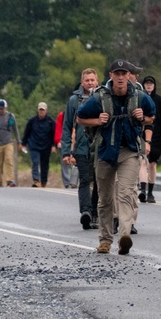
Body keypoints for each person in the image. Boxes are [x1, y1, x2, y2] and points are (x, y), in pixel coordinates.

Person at [76, 59, 155, 255]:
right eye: (116, 73)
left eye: (123, 73)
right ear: (111, 75)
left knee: (127, 193)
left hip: (129, 151)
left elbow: (152, 116)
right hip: (105, 151)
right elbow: (80, 118)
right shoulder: (99, 97)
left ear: (129, 75)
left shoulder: (139, 96)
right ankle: (104, 240)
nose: (120, 77)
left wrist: (142, 118)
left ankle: (124, 236)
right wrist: (97, 120)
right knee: (104, 198)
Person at [63, 68, 100, 230]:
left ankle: (96, 213)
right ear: (82, 82)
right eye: (87, 80)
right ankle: (86, 211)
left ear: (97, 81)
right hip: (81, 147)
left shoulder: (102, 97)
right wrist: (66, 151)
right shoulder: (74, 100)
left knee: (99, 181)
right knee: (84, 180)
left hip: (99, 146)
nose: (90, 83)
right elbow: (67, 126)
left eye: (92, 80)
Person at [139, 75, 161, 203]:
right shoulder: (139, 98)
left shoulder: (160, 101)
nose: (149, 85)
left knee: (152, 164)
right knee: (142, 162)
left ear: (154, 85)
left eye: (151, 83)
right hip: (141, 135)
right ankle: (143, 190)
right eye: (146, 83)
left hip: (156, 137)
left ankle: (150, 192)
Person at [22, 102, 57, 188]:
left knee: (45, 165)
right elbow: (27, 132)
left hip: (46, 146)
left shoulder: (51, 122)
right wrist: (24, 143)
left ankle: (44, 181)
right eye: (40, 110)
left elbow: (54, 134)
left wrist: (54, 145)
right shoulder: (32, 121)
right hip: (34, 145)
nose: (41, 112)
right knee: (35, 162)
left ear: (46, 111)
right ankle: (36, 180)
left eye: (43, 110)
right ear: (38, 110)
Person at [54, 111, 77, 189]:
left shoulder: (79, 113)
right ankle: (67, 183)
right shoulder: (62, 115)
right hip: (65, 141)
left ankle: (74, 182)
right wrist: (58, 141)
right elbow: (59, 128)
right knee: (65, 162)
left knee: (75, 162)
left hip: (75, 140)